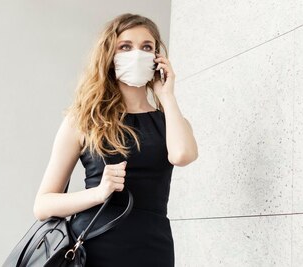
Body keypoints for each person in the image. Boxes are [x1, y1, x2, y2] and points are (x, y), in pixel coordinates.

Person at [32, 13, 198, 267]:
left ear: (157, 58)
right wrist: (98, 193)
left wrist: (167, 96)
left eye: (147, 47)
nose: (137, 54)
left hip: (153, 249)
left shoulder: (168, 120)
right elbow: (43, 205)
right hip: (95, 248)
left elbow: (183, 155)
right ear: (109, 56)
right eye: (125, 47)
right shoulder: (83, 120)